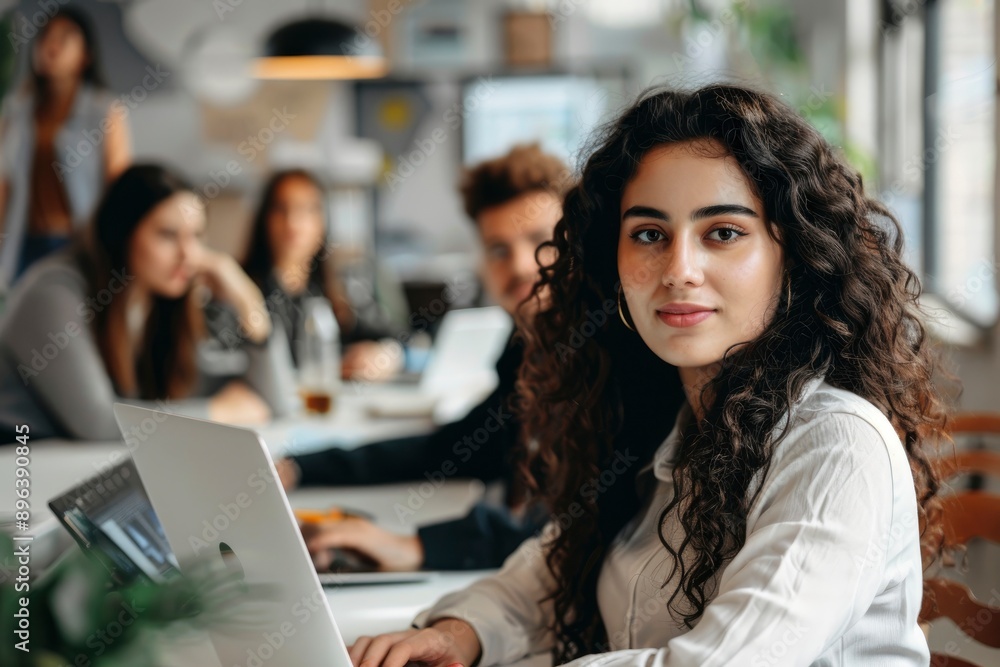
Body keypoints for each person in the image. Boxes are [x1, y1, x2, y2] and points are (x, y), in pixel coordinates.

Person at [347, 85, 951, 666]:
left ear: (791, 256)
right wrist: (459, 633)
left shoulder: (836, 445)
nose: (678, 269)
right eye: (649, 235)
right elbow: (555, 566)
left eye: (723, 232)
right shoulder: (671, 422)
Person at [279, 143, 686, 572]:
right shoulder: (524, 354)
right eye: (498, 249)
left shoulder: (617, 357)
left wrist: (417, 548)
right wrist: (299, 469)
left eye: (539, 240)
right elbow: (448, 448)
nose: (521, 265)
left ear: (574, 242)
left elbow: (586, 522)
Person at [0, 164, 294, 443]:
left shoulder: (157, 301)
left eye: (196, 236)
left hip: (71, 471)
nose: (189, 255)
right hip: (19, 471)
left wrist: (249, 303)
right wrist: (218, 413)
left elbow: (274, 404)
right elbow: (98, 424)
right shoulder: (52, 293)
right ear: (122, 233)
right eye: (168, 235)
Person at [0, 7, 131, 288]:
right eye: (46, 35)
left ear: (85, 55)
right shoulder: (17, 113)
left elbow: (118, 183)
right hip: (24, 240)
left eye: (65, 36)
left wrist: (113, 248)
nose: (52, 44)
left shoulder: (104, 111)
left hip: (76, 242)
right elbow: (5, 182)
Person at [241, 169, 402, 382]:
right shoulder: (242, 288)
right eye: (281, 209)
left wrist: (384, 357)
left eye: (306, 210)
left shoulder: (341, 291)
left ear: (322, 222)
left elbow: (393, 339)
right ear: (265, 219)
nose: (293, 223)